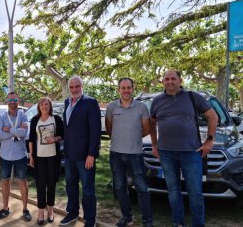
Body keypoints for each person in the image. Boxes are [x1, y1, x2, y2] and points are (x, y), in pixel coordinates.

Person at [150, 70, 218, 227]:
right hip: (166, 153)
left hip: (191, 153)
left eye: (173, 78)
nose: (170, 81)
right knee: (173, 192)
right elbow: (152, 124)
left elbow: (212, 116)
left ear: (180, 80)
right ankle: (178, 222)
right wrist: (154, 145)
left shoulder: (192, 97)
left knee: (195, 193)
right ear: (163, 82)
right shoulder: (157, 101)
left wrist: (209, 141)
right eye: (167, 79)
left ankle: (198, 224)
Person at [105, 78, 153, 227]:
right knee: (119, 187)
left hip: (135, 154)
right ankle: (127, 217)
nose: (126, 90)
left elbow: (146, 129)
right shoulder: (111, 107)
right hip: (116, 154)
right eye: (123, 88)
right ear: (118, 89)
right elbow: (109, 129)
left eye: (128, 88)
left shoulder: (141, 107)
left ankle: (147, 221)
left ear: (133, 88)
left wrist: (132, 138)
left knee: (142, 189)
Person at [60, 76, 101, 227]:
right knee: (70, 185)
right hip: (70, 155)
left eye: (77, 86)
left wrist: (92, 154)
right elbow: (68, 128)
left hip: (85, 157)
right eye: (71, 87)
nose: (74, 89)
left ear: (82, 86)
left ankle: (90, 220)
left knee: (88, 190)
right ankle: (72, 213)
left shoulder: (90, 103)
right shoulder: (67, 102)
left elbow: (95, 131)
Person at [0, 92, 32, 222]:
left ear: (18, 101)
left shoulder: (24, 116)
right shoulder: (1, 117)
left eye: (15, 99)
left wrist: (8, 129)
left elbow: (24, 133)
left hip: (20, 155)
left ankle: (25, 209)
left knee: (23, 181)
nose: (12, 102)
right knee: (5, 182)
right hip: (5, 155)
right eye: (10, 100)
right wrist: (15, 131)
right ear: (7, 101)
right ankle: (5, 208)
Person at [29, 97, 64, 225]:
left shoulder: (56, 119)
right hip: (39, 158)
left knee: (51, 184)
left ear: (50, 106)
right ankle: (41, 211)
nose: (44, 106)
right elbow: (32, 139)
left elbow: (62, 135)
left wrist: (54, 139)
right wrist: (31, 155)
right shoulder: (34, 120)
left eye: (46, 104)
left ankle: (50, 210)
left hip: (53, 157)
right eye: (42, 104)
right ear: (39, 106)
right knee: (40, 184)